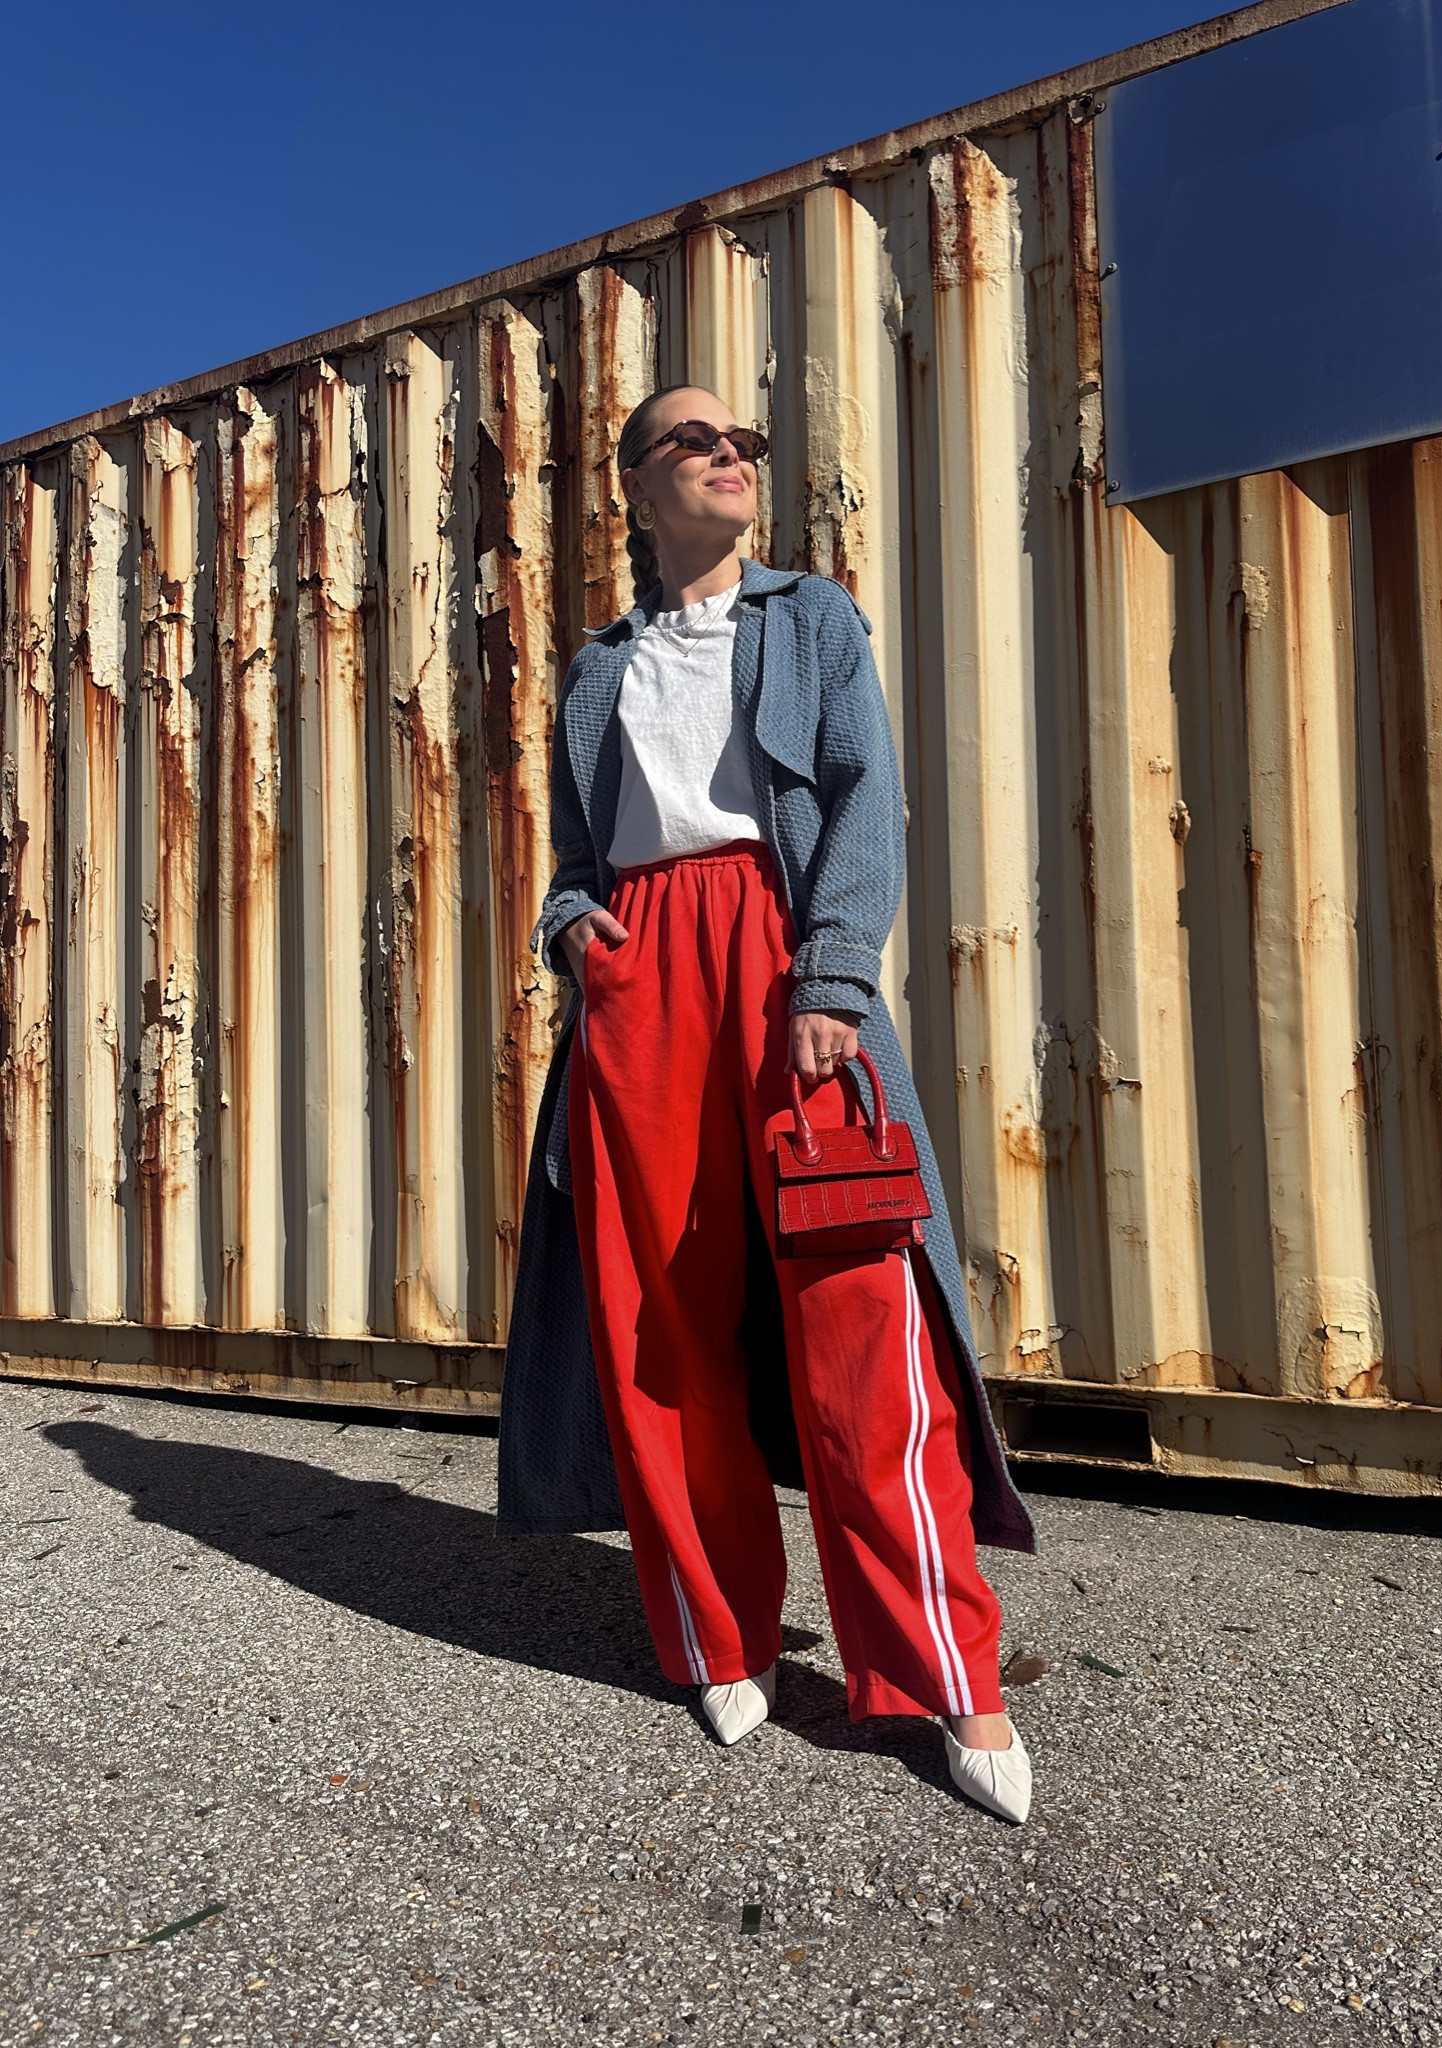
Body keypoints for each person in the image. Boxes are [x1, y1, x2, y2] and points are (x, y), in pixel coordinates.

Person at [497, 384, 1037, 1823]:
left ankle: (947, 1671)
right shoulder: (597, 670)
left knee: (863, 1319)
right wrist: (572, 932)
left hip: (780, 955)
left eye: (742, 439)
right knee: (659, 1326)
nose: (732, 454)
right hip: (640, 985)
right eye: (696, 439)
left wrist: (833, 975)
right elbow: (577, 858)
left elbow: (864, 799)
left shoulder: (811, 620)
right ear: (637, 486)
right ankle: (716, 1637)